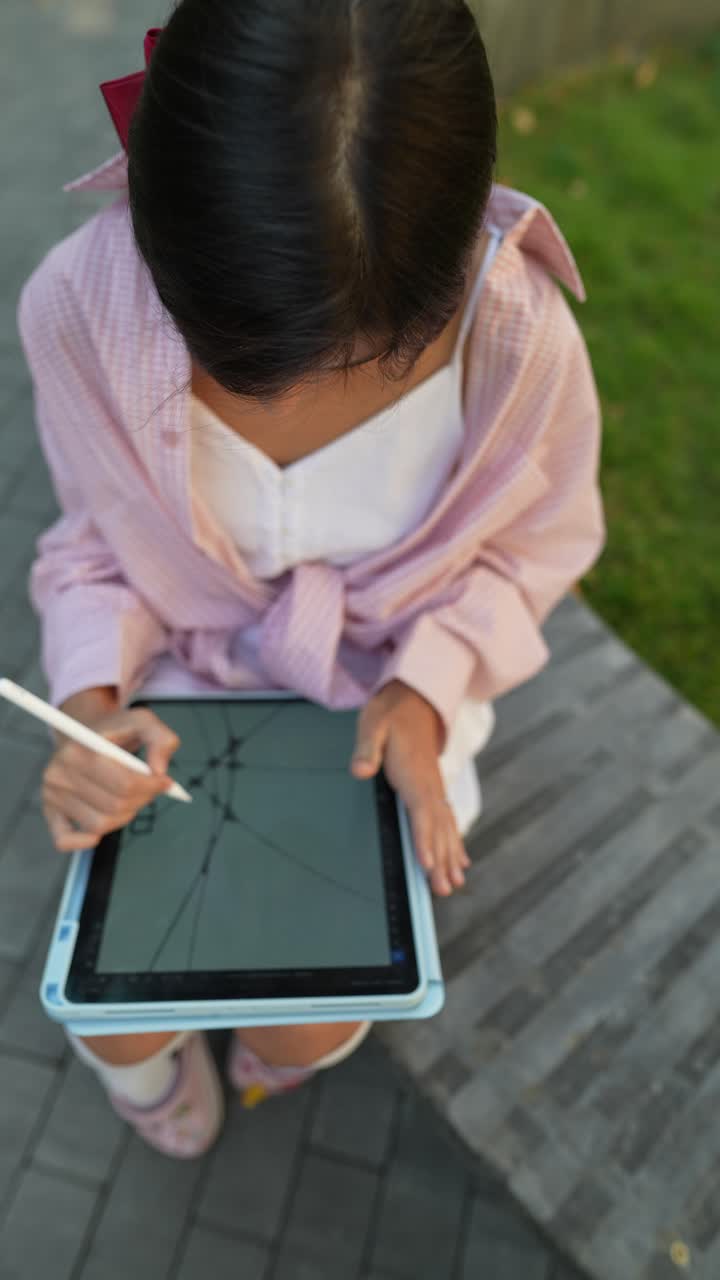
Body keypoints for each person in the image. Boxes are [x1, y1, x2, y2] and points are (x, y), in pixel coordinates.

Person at [18, 0, 605, 1160]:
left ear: (463, 251)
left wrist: (428, 689)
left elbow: (531, 548)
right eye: (238, 361)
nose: (298, 402)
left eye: (380, 361)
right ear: (166, 243)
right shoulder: (80, 309)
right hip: (181, 685)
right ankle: (153, 1091)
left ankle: (269, 1066)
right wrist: (91, 711)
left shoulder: (522, 341)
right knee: (119, 1014)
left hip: (395, 685)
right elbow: (91, 546)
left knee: (316, 1014)